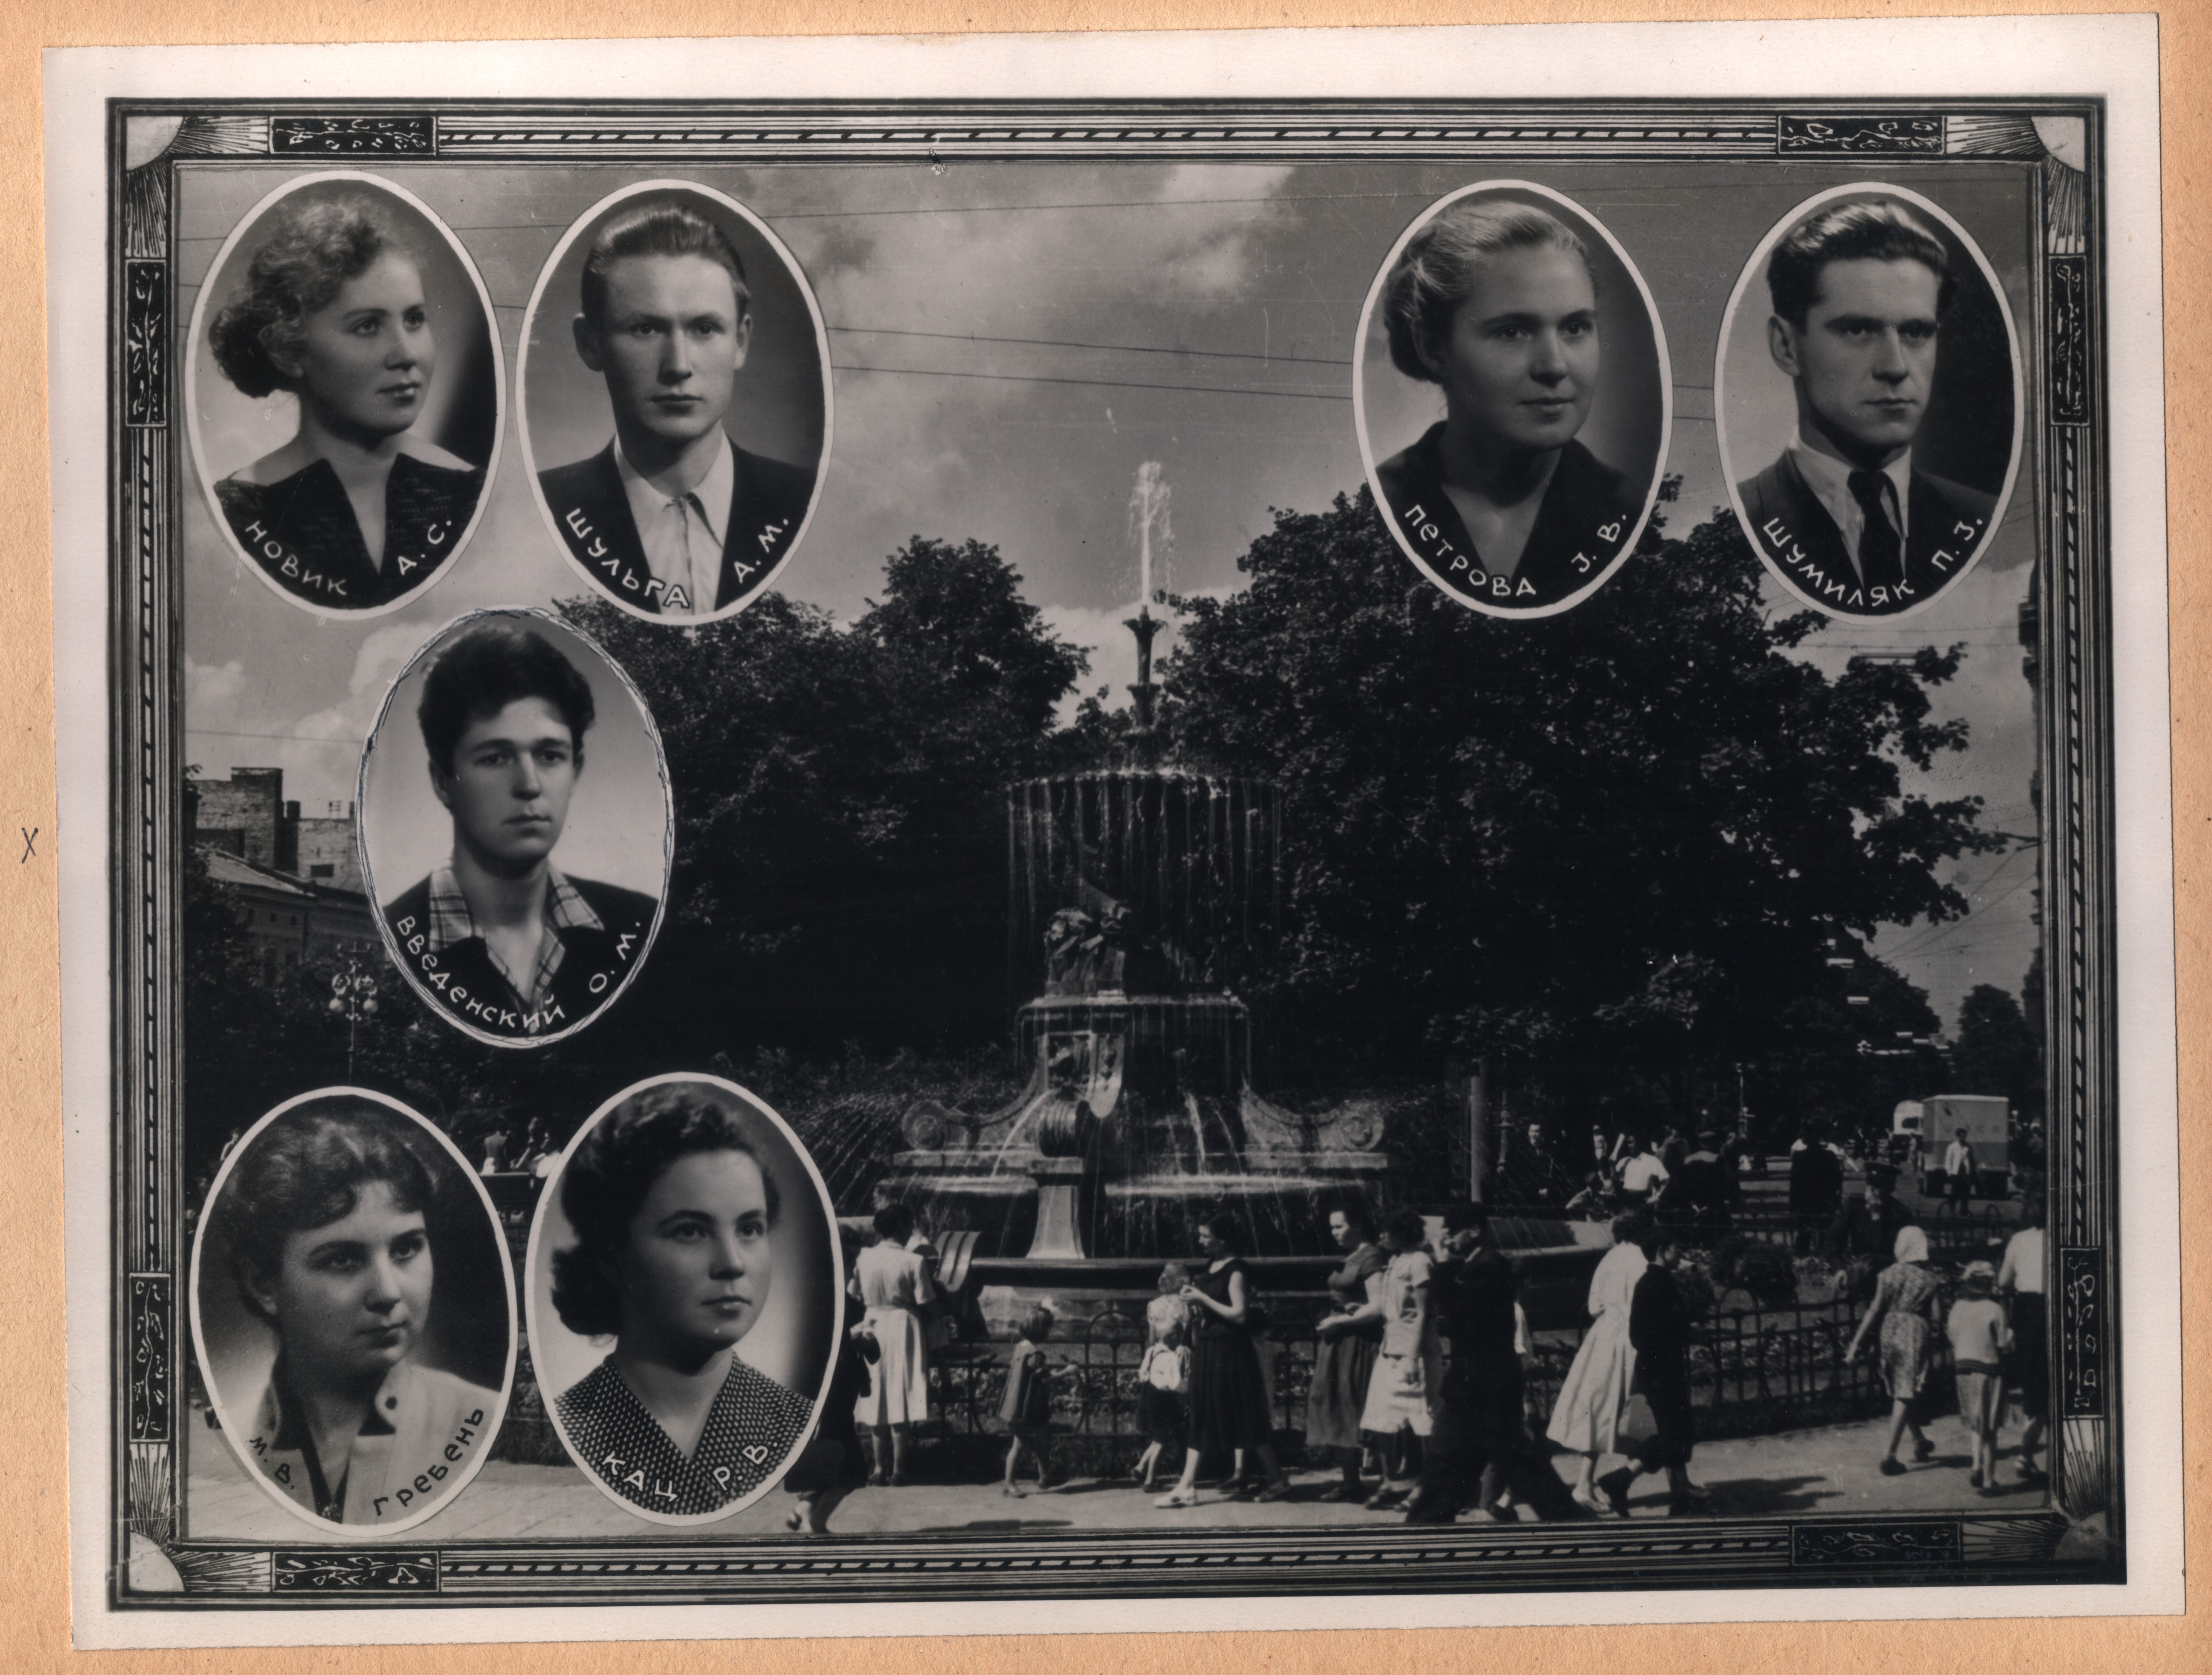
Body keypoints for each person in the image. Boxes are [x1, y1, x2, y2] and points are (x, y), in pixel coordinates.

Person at [212, 1099, 500, 1525]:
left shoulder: (482, 1420)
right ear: (265, 1285)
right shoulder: (228, 1436)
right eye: (343, 1260)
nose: (387, 1292)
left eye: (406, 1248)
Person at [538, 196, 817, 617]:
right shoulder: (547, 511)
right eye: (645, 329)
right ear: (590, 343)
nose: (678, 366)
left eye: (704, 329)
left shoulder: (805, 502)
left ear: (741, 341)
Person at [381, 621, 659, 1041]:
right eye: (495, 758)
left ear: (575, 770)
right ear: (442, 781)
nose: (529, 785)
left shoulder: (640, 925)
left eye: (549, 755)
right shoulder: (391, 938)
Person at [207, 195, 483, 609]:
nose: (406, 354)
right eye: (367, 326)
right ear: (288, 351)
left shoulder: (472, 493)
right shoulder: (235, 514)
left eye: (414, 319)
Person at [550, 1086, 815, 1516]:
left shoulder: (797, 1423)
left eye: (750, 1229)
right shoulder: (572, 1427)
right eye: (690, 1231)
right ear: (613, 1255)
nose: (732, 1264)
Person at [1372, 198, 1645, 611]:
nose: (1554, 366)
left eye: (1575, 328)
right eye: (1512, 332)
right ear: (1433, 349)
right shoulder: (1377, 512)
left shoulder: (1636, 516)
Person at [1735, 199, 1998, 617]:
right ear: (1786, 346)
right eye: (1857, 329)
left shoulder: (1983, 518)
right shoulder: (1737, 523)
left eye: (1916, 332)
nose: (1895, 367)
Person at [1406, 1202, 1585, 1524]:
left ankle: (1573, 1525)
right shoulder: (1476, 1266)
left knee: (1511, 1463)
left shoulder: (1491, 1266)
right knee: (1462, 1461)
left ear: (1475, 1230)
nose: (1445, 1236)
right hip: (1473, 1388)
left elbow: (1459, 1316)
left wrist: (1443, 1266)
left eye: (1452, 1229)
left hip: (1486, 1388)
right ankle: (1424, 1525)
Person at [1154, 1214, 1287, 1507]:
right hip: (1209, 1347)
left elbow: (1239, 1314)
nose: (1200, 1240)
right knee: (1202, 1412)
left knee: (1244, 1414)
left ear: (1224, 1239)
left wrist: (1202, 1300)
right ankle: (1187, 1486)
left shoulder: (1236, 1270)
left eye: (1206, 1236)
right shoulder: (1211, 1265)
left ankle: (1277, 1477)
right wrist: (1196, 1306)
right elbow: (1214, 1307)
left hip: (1231, 1350)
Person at [1595, 1225, 1714, 1517]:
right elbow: (1658, 1329)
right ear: (1661, 1251)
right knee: (1676, 1435)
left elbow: (1646, 1330)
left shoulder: (1650, 1281)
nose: (1680, 1253)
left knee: (1675, 1432)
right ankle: (1622, 1479)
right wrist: (1690, 1333)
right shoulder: (1659, 1283)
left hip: (1655, 1368)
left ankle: (1674, 1496)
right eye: (1675, 1248)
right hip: (1662, 1369)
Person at [1545, 1209, 1651, 1515]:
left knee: (1598, 1410)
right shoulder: (1644, 1261)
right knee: (1644, 1412)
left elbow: (1594, 1306)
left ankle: (1586, 1482)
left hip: (1604, 1336)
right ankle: (1590, 1484)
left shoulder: (1609, 1258)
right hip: (1632, 1339)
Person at [782, 1235, 879, 1536]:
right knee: (851, 1468)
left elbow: (872, 1355)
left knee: (836, 1458)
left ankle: (806, 1509)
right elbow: (813, 1348)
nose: (853, 1272)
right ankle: (815, 1521)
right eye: (849, 1266)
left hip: (843, 1393)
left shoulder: (853, 1304)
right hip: (829, 1393)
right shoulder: (817, 1304)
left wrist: (867, 1341)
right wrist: (850, 1339)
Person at [1356, 1209, 1443, 1511]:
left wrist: (1412, 1357)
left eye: (1386, 1231)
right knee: (1382, 1417)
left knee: (1424, 1422)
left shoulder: (1419, 1262)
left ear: (1401, 1232)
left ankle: (1426, 1489)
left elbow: (1422, 1314)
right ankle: (1392, 1482)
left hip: (1415, 1355)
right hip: (1390, 1351)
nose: (1381, 1237)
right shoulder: (1395, 1261)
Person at [1845, 1224, 1945, 1476]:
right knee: (1905, 1391)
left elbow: (1874, 1310)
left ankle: (1919, 1439)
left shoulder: (1887, 1274)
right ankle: (1889, 1455)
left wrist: (1856, 1343)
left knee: (1901, 1387)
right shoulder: (1930, 1279)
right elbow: (1938, 1317)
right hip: (1915, 1332)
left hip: (1890, 1331)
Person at [1304, 1204, 1388, 1502]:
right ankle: (1350, 1483)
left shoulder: (1371, 1257)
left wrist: (1341, 1320)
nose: (1334, 1233)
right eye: (1331, 1227)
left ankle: (1389, 1483)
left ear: (1358, 1225)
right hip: (1339, 1342)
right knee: (1339, 1406)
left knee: (1360, 1406)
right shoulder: (1351, 1256)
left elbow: (1378, 1306)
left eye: (1339, 1226)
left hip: (1359, 1342)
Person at [851, 1203, 935, 1486]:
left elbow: (853, 1293)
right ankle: (899, 1470)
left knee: (876, 1391)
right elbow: (926, 1300)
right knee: (902, 1390)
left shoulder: (865, 1257)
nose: (911, 1230)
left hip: (873, 1325)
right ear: (901, 1227)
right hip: (903, 1326)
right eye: (909, 1224)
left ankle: (878, 1468)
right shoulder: (914, 1261)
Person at [1947, 1261, 2012, 1498]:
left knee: (1977, 1421)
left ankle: (1976, 1465)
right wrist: (2010, 1337)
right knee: (1990, 1427)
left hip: (1963, 1369)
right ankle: (1989, 1481)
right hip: (1988, 1370)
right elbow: (2003, 1343)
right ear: (1989, 1283)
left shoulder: (1957, 1307)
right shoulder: (1995, 1309)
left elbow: (1952, 1336)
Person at [1997, 1197, 2049, 1485]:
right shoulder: (2062, 1239)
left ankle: (2026, 1454)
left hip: (2025, 1310)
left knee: (2032, 1380)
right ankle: (2027, 1454)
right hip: (2050, 1308)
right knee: (2048, 1383)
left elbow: (2003, 1281)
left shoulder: (2018, 1239)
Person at [999, 1307, 1063, 1497]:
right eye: (1048, 1329)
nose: (1049, 1333)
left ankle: (1045, 1477)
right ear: (1041, 1330)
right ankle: (1009, 1484)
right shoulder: (1036, 1353)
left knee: (1042, 1438)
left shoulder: (1020, 1348)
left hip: (1020, 1402)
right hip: (1029, 1405)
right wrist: (1067, 1372)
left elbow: (1032, 1374)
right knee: (1021, 1443)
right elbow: (1046, 1380)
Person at [1132, 1312, 1191, 1492]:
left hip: (1148, 1398)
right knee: (1162, 1442)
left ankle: (1141, 1467)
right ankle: (1150, 1480)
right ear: (1175, 1338)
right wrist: (1188, 1388)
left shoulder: (1151, 1352)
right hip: (1163, 1402)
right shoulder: (1171, 1357)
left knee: (1159, 1438)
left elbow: (1143, 1374)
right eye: (1180, 1338)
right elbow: (1175, 1384)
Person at [1789, 1122, 1846, 1253]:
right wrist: (1836, 1202)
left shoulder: (1799, 1157)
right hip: (1826, 1202)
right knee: (1825, 1234)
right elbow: (1838, 1181)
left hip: (1805, 1203)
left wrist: (1793, 1207)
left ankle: (1801, 1260)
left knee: (1804, 1235)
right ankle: (1825, 1259)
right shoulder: (1830, 1156)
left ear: (1806, 1140)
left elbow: (1795, 1184)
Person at [1617, 1136, 1668, 1207]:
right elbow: (1617, 1182)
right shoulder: (1624, 1161)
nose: (1629, 1146)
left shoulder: (1652, 1160)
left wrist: (1657, 1197)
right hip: (1627, 1202)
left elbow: (1666, 1179)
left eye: (1631, 1143)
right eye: (1628, 1143)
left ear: (1639, 1143)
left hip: (1643, 1203)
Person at [1943, 1126, 1978, 1218]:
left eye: (1965, 1136)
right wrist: (1949, 1172)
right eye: (1961, 1136)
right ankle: (1952, 1209)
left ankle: (1964, 1210)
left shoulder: (1968, 1147)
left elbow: (1972, 1160)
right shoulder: (1952, 1147)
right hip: (1956, 1173)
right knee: (1955, 1191)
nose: (1963, 1138)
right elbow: (1948, 1160)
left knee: (1966, 1191)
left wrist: (1973, 1170)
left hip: (1966, 1172)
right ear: (1958, 1137)